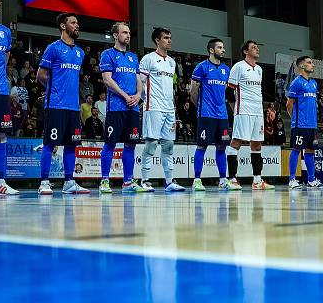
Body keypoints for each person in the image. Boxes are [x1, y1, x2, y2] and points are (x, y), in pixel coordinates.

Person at [35, 12, 89, 195]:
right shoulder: (53, 48)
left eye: (78, 23)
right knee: (50, 144)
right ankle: (44, 182)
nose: (77, 25)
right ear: (63, 26)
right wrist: (54, 89)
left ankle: (69, 182)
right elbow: (40, 75)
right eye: (73, 23)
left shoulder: (80, 53)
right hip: (55, 105)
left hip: (73, 107)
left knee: (71, 145)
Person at [98, 21, 143, 193]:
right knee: (110, 144)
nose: (128, 35)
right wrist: (125, 96)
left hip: (133, 108)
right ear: (116, 35)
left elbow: (139, 81)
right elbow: (107, 80)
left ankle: (128, 182)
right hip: (116, 108)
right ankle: (104, 181)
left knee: (131, 145)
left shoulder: (133, 57)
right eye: (124, 32)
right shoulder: (107, 54)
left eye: (129, 33)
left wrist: (138, 96)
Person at [139, 27, 185, 192]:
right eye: (166, 38)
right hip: (153, 107)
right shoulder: (148, 59)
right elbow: (140, 82)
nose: (169, 40)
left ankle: (169, 182)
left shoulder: (172, 62)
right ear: (157, 40)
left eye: (170, 37)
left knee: (168, 146)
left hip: (169, 109)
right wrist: (143, 99)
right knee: (151, 144)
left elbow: (170, 88)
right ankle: (144, 180)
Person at [225, 40, 274, 190]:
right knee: (237, 142)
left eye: (257, 47)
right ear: (246, 51)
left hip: (257, 112)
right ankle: (232, 179)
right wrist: (236, 110)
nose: (257, 49)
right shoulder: (238, 67)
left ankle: (257, 181)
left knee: (257, 144)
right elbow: (229, 91)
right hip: (243, 110)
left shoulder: (259, 69)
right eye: (253, 48)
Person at [190, 38, 231, 191]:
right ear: (212, 50)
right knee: (201, 147)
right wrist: (201, 107)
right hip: (206, 115)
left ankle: (222, 179)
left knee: (221, 148)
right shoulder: (201, 67)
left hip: (222, 116)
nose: (223, 50)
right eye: (220, 47)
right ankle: (197, 180)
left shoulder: (226, 69)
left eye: (223, 47)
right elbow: (193, 92)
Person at [287, 56, 323, 189]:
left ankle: (311, 180)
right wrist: (295, 119)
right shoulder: (296, 82)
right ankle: (292, 179)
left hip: (312, 125)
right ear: (302, 66)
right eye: (309, 63)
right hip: (300, 125)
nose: (312, 65)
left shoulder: (314, 83)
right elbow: (289, 105)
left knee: (310, 152)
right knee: (296, 150)